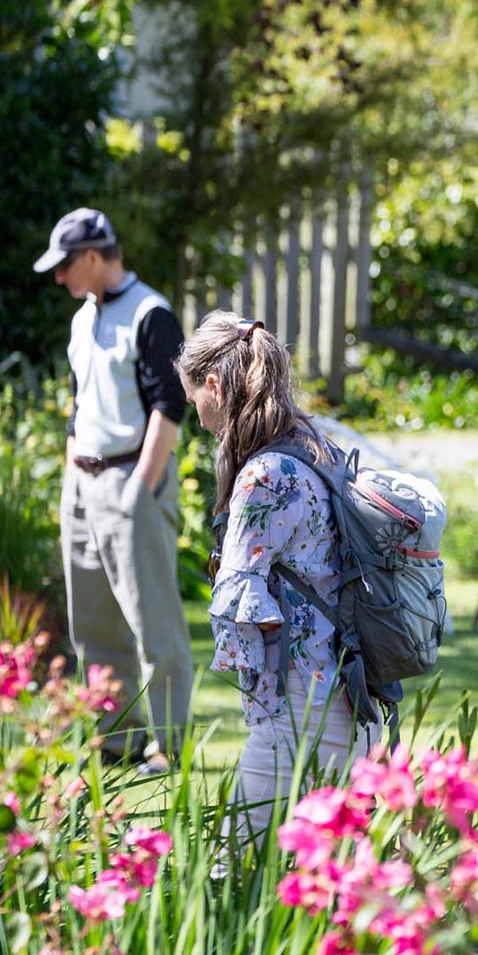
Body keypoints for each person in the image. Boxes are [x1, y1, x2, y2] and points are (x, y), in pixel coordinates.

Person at [179, 313, 378, 839]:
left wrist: (260, 709)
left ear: (215, 387)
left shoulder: (265, 475)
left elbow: (238, 597)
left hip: (298, 706)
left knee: (235, 868)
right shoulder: (312, 448)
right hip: (345, 688)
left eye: (193, 398)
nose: (196, 417)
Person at [37, 207, 192, 771]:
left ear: (95, 257)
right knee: (93, 622)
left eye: (66, 265)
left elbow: (168, 409)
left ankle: (169, 746)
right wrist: (70, 475)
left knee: (154, 623)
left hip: (133, 480)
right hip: (82, 483)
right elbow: (80, 403)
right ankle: (116, 737)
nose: (59, 277)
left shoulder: (151, 315)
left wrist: (140, 491)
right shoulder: (84, 317)